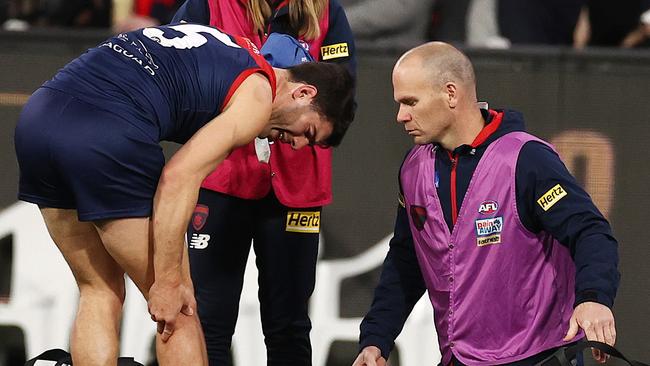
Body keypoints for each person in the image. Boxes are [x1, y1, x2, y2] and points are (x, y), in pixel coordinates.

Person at [14, 22, 354, 366]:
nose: (295, 144)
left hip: (39, 118)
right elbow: (178, 177)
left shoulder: (228, 44)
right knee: (179, 307)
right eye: (307, 132)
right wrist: (169, 279)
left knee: (98, 289)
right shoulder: (257, 97)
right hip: (104, 131)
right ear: (304, 93)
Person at [352, 42, 619, 366]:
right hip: (459, 358)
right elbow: (406, 261)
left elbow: (589, 230)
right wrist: (376, 340)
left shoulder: (525, 159)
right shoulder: (413, 170)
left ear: (451, 94)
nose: (400, 116)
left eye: (410, 102)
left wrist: (593, 298)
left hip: (536, 355)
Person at [171, 1, 356, 365]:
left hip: (298, 187)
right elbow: (181, 76)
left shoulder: (325, 10)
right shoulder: (208, 4)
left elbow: (341, 98)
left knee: (288, 323)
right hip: (222, 179)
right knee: (207, 318)